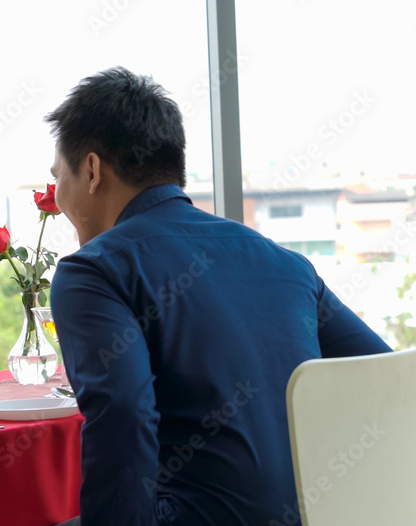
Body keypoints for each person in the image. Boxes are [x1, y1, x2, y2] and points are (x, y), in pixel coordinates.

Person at [45, 67, 391, 525]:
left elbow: (124, 418)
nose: (57, 195)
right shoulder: (284, 263)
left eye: (57, 178)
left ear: (91, 170)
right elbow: (383, 379)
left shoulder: (92, 271)